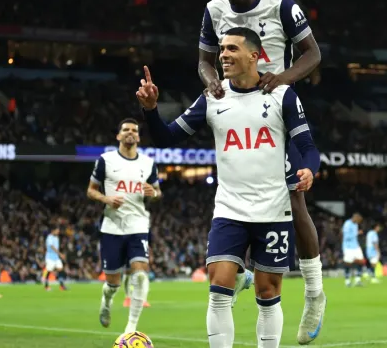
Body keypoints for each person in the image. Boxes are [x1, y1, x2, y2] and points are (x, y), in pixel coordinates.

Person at [138, 27, 320, 348]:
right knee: (219, 286)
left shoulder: (281, 95)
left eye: (232, 49)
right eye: (221, 49)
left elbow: (306, 144)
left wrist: (309, 168)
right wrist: (151, 110)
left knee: (268, 293)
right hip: (230, 209)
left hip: (274, 210)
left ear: (255, 55)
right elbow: (167, 137)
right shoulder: (213, 96)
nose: (222, 55)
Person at [196, 0, 325, 344]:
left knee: (294, 198)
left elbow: (313, 54)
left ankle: (314, 292)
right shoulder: (214, 10)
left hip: (275, 110)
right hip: (236, 107)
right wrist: (209, 81)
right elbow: (202, 60)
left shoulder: (281, 4)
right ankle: (235, 267)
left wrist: (282, 78)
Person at [87, 118, 162, 333]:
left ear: (138, 137)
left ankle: (130, 329)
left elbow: (157, 192)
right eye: (126, 130)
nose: (130, 133)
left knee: (140, 274)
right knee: (113, 284)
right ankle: (107, 302)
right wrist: (106, 199)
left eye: (134, 130)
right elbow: (91, 190)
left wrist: (154, 193)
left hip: (138, 225)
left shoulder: (148, 163)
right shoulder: (105, 160)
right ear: (118, 136)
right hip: (112, 226)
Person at [341, 213, 366, 287]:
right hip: (348, 247)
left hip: (356, 246)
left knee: (361, 261)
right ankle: (347, 281)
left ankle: (358, 280)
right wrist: (357, 233)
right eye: (358, 220)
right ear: (355, 218)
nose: (359, 222)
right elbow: (346, 236)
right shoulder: (347, 224)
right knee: (348, 263)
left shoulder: (355, 224)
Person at [42, 226, 67, 291]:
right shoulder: (49, 237)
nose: (58, 232)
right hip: (50, 257)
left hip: (56, 257)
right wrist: (60, 254)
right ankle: (46, 286)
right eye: (57, 230)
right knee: (49, 270)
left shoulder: (56, 238)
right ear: (53, 231)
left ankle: (61, 286)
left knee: (60, 269)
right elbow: (52, 247)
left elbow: (56, 247)